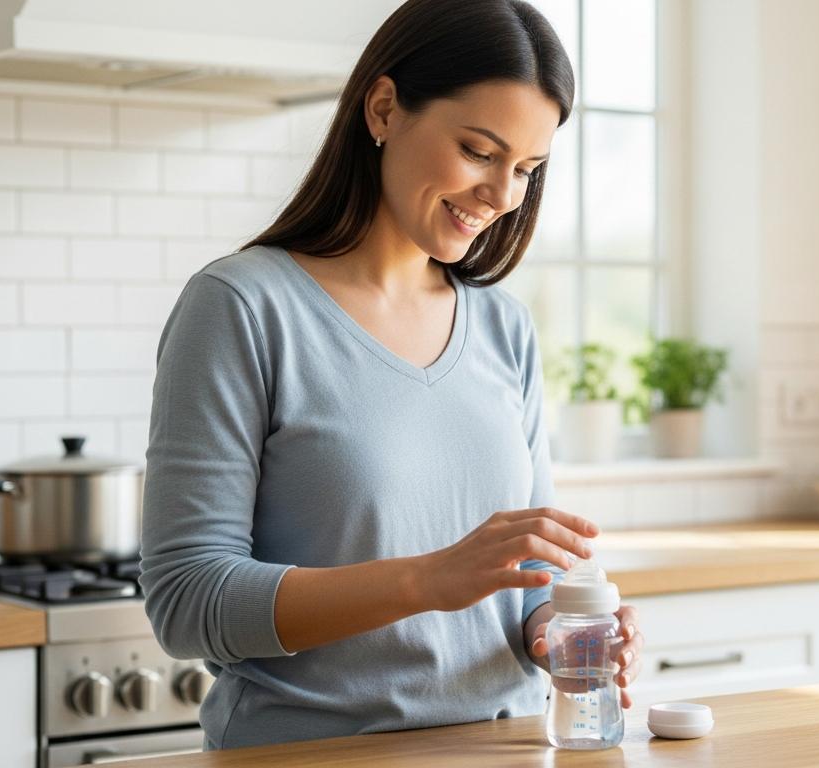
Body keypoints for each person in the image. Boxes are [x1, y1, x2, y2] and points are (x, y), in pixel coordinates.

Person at [139, 0, 645, 751]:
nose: (503, 195)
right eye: (479, 150)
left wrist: (563, 627)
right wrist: (425, 580)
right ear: (383, 109)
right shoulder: (243, 307)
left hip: (501, 750)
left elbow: (527, 574)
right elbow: (187, 601)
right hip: (311, 756)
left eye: (527, 170)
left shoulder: (503, 327)